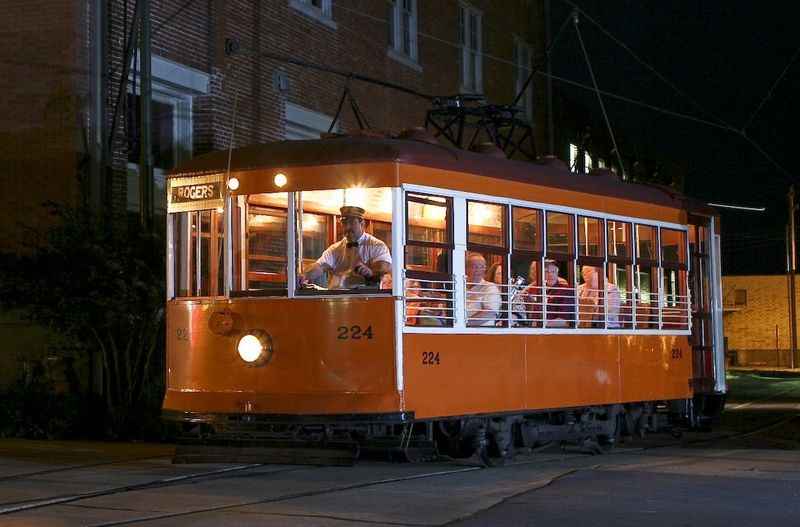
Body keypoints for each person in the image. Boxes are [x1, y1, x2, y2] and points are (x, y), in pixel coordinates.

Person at [298, 206, 391, 289]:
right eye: (344, 223)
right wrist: (304, 275)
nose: (347, 227)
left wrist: (370, 272)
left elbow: (383, 269)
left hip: (365, 299)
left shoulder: (377, 245)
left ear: (362, 223)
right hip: (336, 299)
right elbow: (320, 266)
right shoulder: (335, 249)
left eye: (351, 223)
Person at [465, 253, 501, 327]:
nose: (478, 270)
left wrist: (464, 324)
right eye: (474, 267)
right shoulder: (460, 286)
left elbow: (489, 313)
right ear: (466, 269)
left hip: (480, 332)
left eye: (482, 267)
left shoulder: (490, 287)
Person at [543, 259, 574, 328]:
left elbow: (564, 321)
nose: (550, 274)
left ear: (557, 273)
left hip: (558, 331)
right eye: (546, 271)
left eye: (553, 271)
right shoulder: (539, 290)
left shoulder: (565, 291)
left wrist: (543, 324)